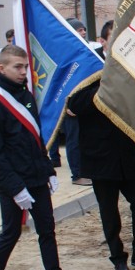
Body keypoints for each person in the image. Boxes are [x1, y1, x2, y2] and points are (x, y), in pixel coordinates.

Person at [0, 45, 82, 270]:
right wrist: (15, 188)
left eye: (25, 67)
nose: (24, 72)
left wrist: (48, 170)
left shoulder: (25, 94)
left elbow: (35, 139)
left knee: (47, 230)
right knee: (10, 234)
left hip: (35, 176)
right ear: (2, 68)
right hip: (12, 182)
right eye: (18, 67)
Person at [68, 37, 135, 270]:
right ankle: (118, 258)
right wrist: (104, 87)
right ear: (104, 42)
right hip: (100, 156)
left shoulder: (132, 68)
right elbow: (75, 104)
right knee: (109, 211)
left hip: (128, 152)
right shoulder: (88, 67)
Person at [49, 19, 90, 185]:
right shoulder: (63, 54)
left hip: (84, 102)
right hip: (70, 105)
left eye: (84, 30)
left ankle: (86, 171)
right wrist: (66, 105)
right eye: (79, 30)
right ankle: (77, 175)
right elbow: (60, 82)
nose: (83, 33)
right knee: (73, 140)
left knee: (84, 139)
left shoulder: (86, 50)